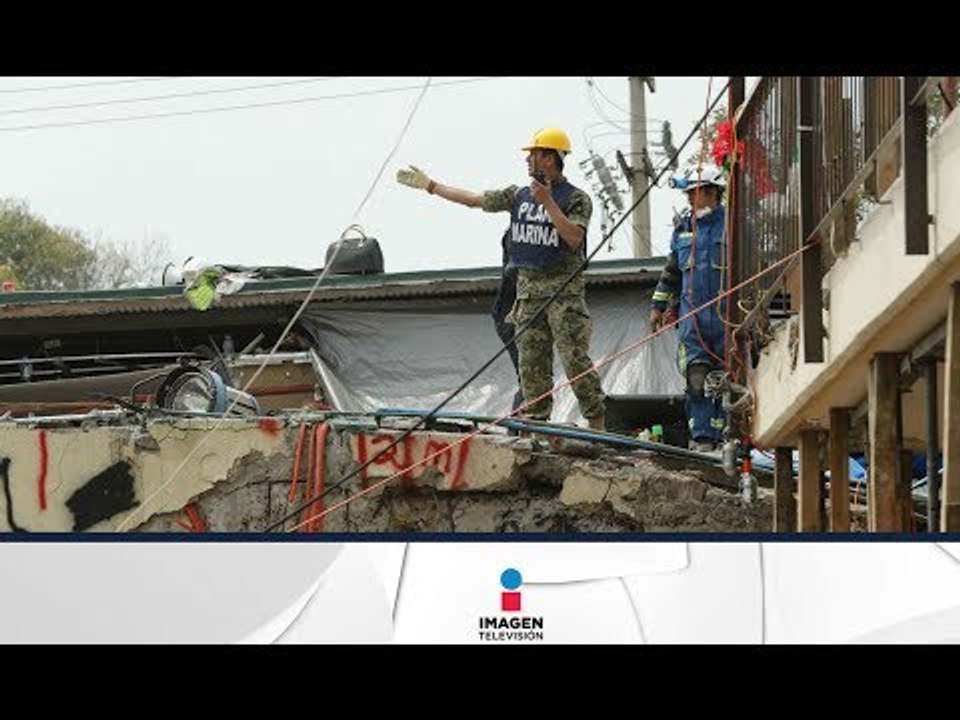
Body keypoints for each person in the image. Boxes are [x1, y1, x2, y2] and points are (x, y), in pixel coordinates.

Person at [396, 127, 606, 430]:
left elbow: (574, 238)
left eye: (533, 154)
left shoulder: (575, 198)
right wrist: (431, 186)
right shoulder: (518, 195)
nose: (527, 160)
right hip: (528, 296)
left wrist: (548, 202)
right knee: (531, 366)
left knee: (575, 361)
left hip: (563, 296)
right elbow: (474, 200)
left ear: (549, 158)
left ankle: (597, 424)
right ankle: (536, 428)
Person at [650, 165, 728, 452]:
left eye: (693, 193)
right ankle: (703, 439)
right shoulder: (683, 230)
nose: (689, 200)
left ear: (711, 192)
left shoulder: (732, 225)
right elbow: (672, 272)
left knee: (728, 382)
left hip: (727, 321)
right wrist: (658, 306)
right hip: (692, 323)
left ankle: (728, 437)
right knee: (696, 380)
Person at [490, 226, 524, 413]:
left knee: (533, 376)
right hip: (511, 316)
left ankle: (523, 422)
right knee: (530, 376)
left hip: (519, 314)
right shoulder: (519, 231)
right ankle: (519, 424)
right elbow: (513, 269)